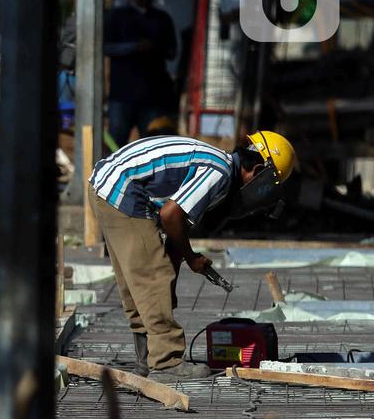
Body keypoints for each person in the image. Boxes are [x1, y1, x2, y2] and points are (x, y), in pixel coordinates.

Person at [88, 131, 297, 379]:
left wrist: (173, 276)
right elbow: (170, 216)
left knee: (138, 282)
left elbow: (176, 230)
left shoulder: (217, 164)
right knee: (153, 277)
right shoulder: (219, 172)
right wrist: (191, 258)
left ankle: (145, 360)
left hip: (105, 186)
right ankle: (166, 362)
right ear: (258, 169)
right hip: (124, 190)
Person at [104, 0, 177, 146]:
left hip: (152, 97)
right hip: (122, 96)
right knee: (116, 146)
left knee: (152, 147)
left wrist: (155, 47)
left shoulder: (162, 19)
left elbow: (172, 51)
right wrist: (133, 47)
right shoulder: (117, 17)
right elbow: (105, 47)